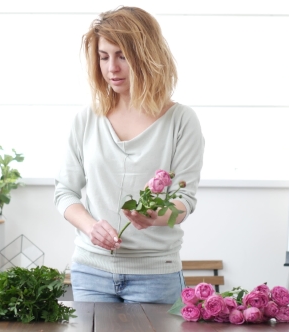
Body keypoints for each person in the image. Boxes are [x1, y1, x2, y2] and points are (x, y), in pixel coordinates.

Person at [54, 6, 204, 304]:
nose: (112, 68)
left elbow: (184, 203)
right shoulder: (87, 119)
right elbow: (65, 193)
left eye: (122, 55)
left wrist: (153, 216)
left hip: (155, 276)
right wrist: (91, 227)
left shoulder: (181, 121)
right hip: (90, 272)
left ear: (147, 55)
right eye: (104, 56)